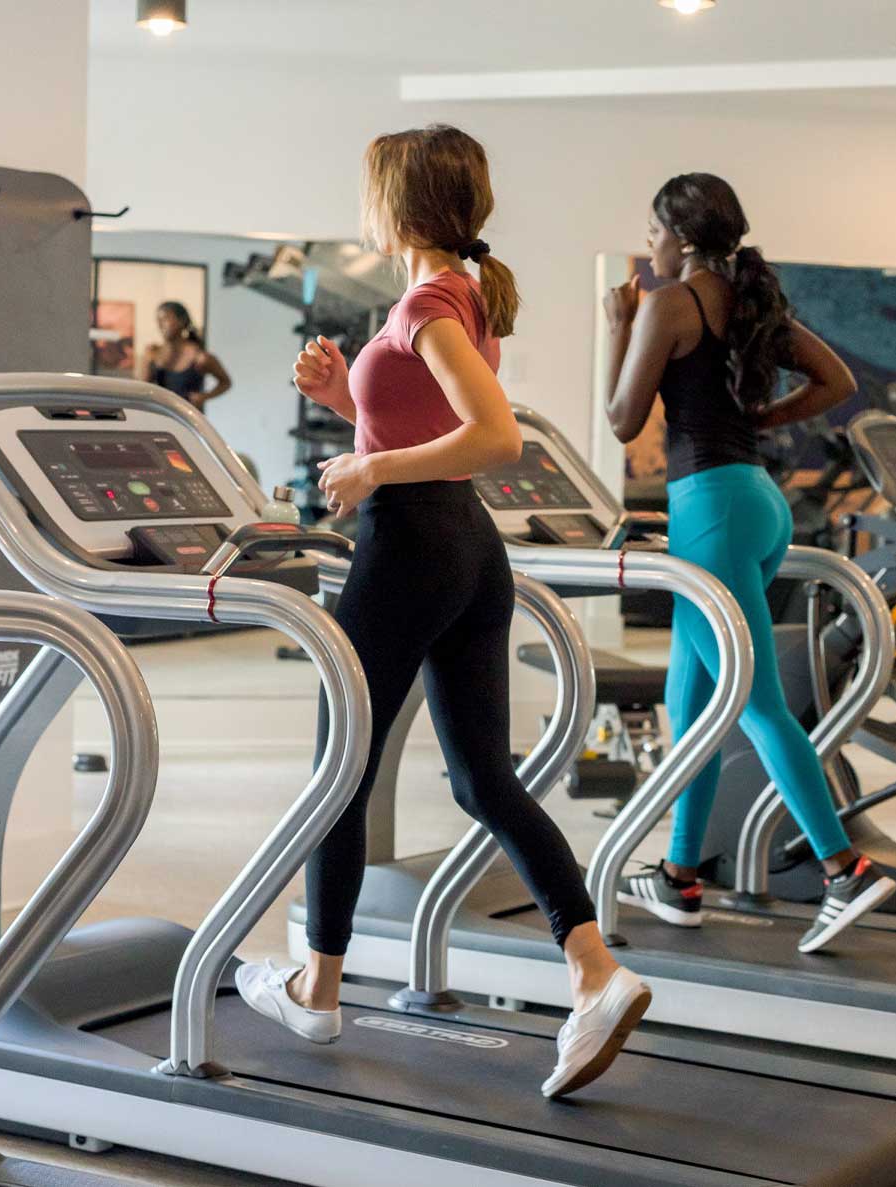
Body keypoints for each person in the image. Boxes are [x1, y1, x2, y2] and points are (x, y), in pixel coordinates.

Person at [234, 124, 648, 1099]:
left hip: (413, 541)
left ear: (399, 201)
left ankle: (316, 984)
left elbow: (494, 434)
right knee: (482, 777)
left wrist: (373, 463)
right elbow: (438, 427)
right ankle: (595, 970)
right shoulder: (454, 290)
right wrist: (351, 402)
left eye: (370, 190)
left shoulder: (427, 301)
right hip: (467, 546)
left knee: (342, 763)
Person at [603, 172, 896, 955]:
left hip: (711, 510)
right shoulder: (751, 302)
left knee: (757, 701)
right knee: (690, 699)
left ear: (683, 234)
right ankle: (678, 874)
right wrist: (766, 416)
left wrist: (615, 328)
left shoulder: (669, 305)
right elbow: (836, 380)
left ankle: (845, 869)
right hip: (755, 499)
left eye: (655, 230)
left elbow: (622, 419)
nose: (651, 244)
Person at [145, 300, 232, 411]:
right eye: (158, 320)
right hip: (162, 417)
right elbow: (143, 389)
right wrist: (148, 362)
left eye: (165, 319)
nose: (160, 324)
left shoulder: (199, 357)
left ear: (182, 321)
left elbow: (226, 382)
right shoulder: (153, 353)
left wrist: (204, 396)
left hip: (188, 420)